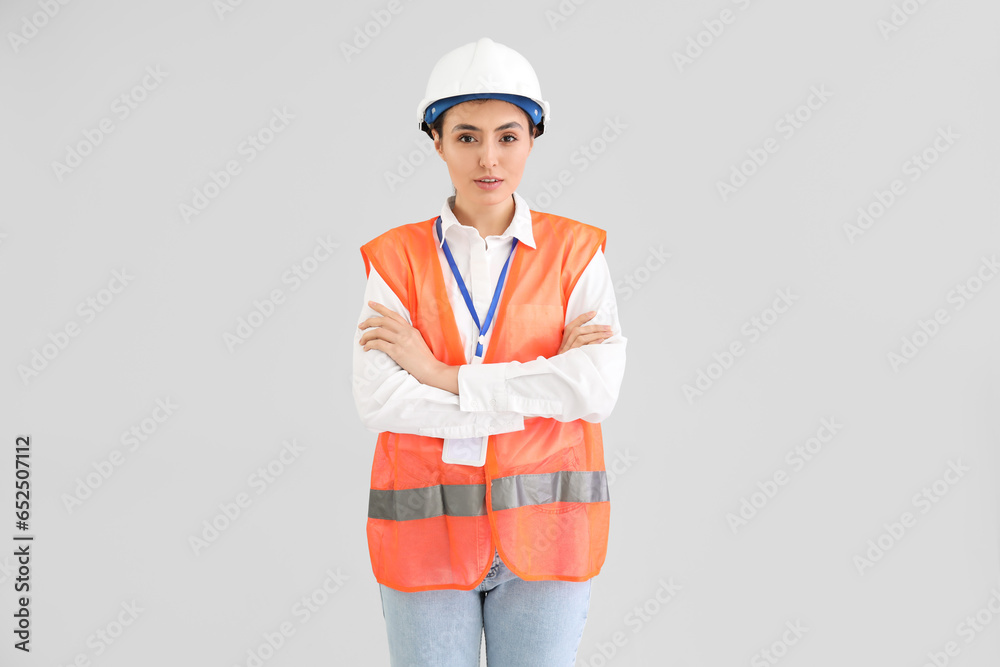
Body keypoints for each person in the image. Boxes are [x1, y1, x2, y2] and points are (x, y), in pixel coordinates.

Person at [352, 37, 627, 667]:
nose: (489, 157)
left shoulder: (576, 254)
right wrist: (540, 389)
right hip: (427, 539)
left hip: (549, 538)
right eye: (467, 136)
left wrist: (440, 374)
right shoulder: (394, 261)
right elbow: (380, 401)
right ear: (436, 141)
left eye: (508, 136)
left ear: (532, 139)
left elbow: (594, 390)